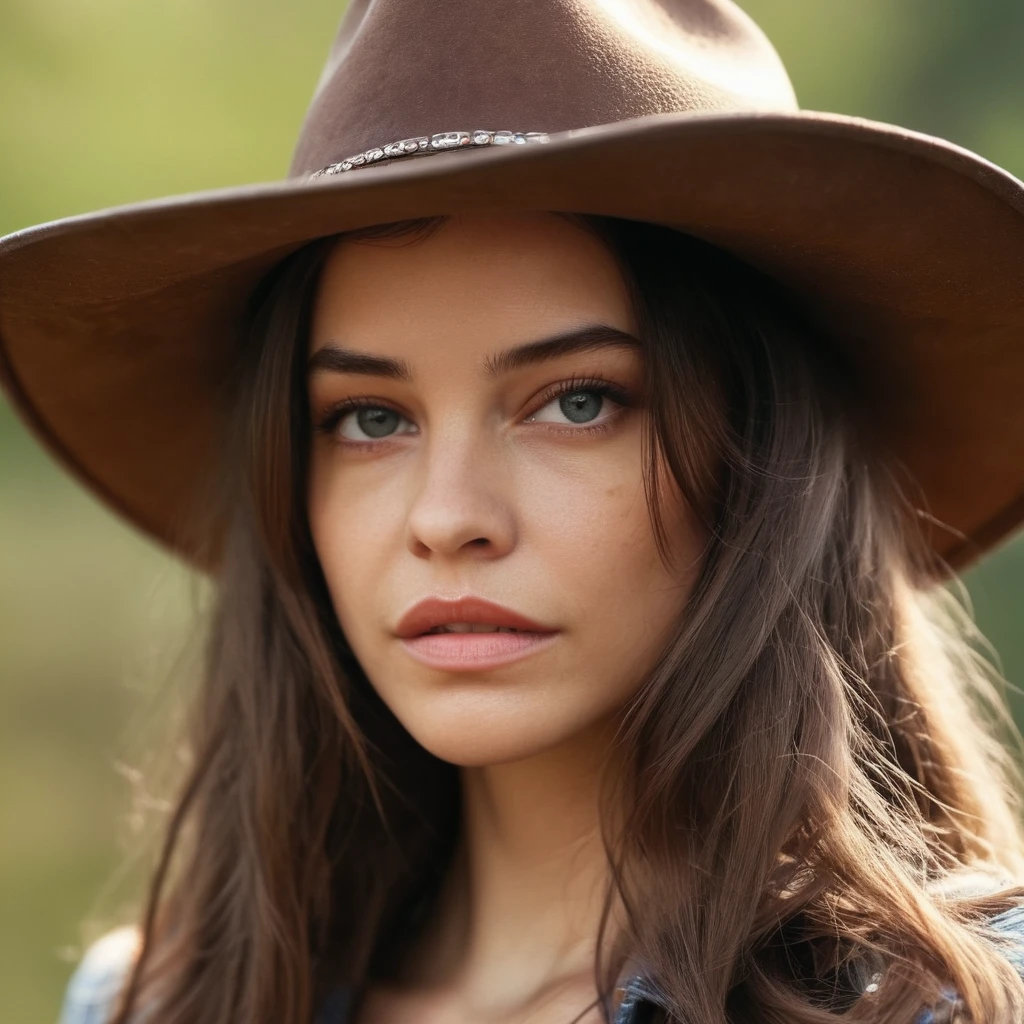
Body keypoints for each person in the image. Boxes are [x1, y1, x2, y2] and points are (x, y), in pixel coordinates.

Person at [4, 2, 1024, 1023]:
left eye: (576, 401)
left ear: (763, 461)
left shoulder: (956, 1003)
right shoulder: (150, 1004)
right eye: (368, 418)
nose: (447, 518)